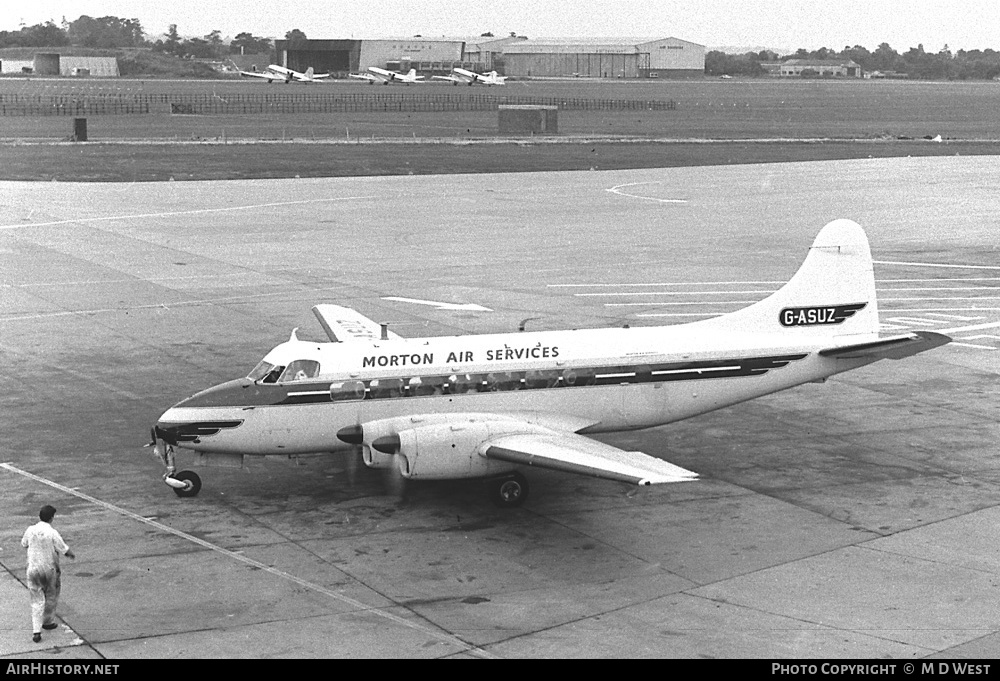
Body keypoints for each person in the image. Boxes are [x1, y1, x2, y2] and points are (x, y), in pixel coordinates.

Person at [21, 505, 75, 643]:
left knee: (36, 600)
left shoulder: (30, 530)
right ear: (51, 518)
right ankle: (47, 621)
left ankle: (36, 631)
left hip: (33, 569)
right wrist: (71, 555)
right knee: (51, 595)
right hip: (49, 570)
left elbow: (24, 544)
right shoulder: (52, 532)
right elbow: (64, 549)